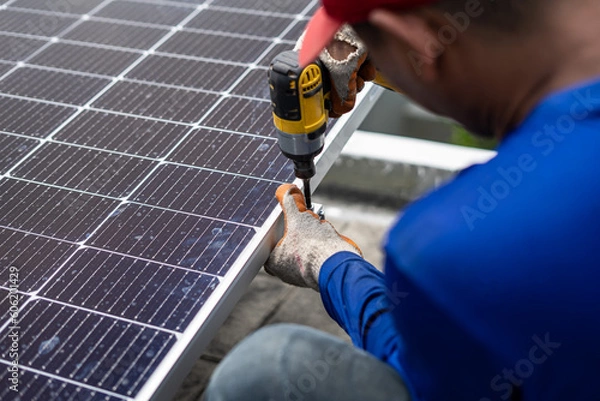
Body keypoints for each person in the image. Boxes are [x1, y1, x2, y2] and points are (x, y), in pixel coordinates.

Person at [205, 0, 600, 400]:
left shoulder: (453, 245)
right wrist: (402, 55)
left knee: (266, 369)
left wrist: (329, 263)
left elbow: (412, 365)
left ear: (425, 39)